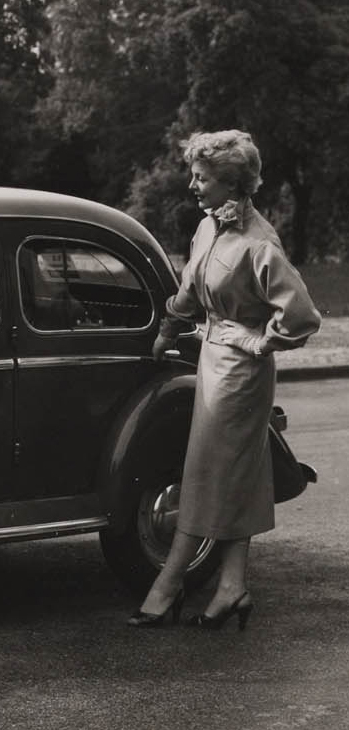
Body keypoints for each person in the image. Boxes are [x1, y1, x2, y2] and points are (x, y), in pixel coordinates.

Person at [128, 130, 321, 630]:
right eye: (194, 175)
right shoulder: (208, 227)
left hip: (242, 372)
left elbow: (301, 316)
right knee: (241, 473)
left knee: (205, 472)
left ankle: (167, 584)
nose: (193, 185)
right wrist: (168, 327)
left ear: (231, 183)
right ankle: (233, 587)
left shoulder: (260, 244)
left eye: (202, 177)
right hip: (211, 361)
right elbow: (190, 288)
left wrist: (258, 341)